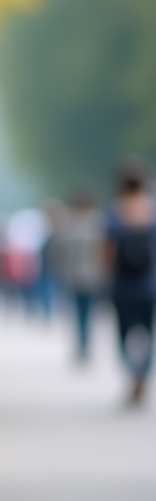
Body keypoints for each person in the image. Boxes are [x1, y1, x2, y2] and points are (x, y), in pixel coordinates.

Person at [104, 157, 156, 405]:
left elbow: (107, 252)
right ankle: (142, 373)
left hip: (123, 286)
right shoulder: (152, 210)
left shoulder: (115, 212)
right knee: (148, 333)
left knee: (123, 335)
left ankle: (132, 371)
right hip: (150, 285)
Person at [50, 188, 106, 361]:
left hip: (75, 276)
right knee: (86, 312)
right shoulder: (98, 223)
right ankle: (84, 344)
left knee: (79, 312)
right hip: (91, 275)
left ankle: (82, 344)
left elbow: (59, 252)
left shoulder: (70, 224)